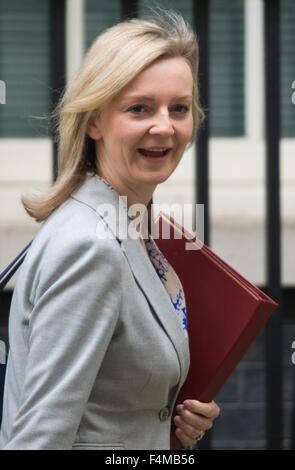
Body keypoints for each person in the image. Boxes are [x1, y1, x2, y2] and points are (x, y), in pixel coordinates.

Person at [0, 10, 220, 450]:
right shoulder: (90, 246)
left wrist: (166, 423)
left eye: (179, 108)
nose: (165, 126)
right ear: (94, 121)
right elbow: (38, 440)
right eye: (139, 108)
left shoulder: (129, 222)